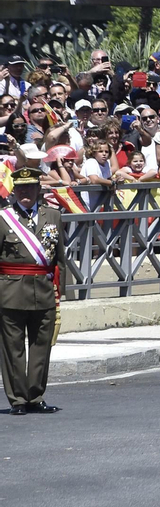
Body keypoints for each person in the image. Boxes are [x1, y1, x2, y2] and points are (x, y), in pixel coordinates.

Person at [0, 168, 64, 414]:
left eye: (30, 187)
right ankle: (17, 399)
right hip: (11, 291)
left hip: (45, 290)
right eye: (21, 188)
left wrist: (61, 291)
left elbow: (60, 257)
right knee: (13, 348)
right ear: (14, 190)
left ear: (39, 189)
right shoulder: (4, 218)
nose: (26, 192)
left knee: (41, 346)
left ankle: (35, 396)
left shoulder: (53, 215)